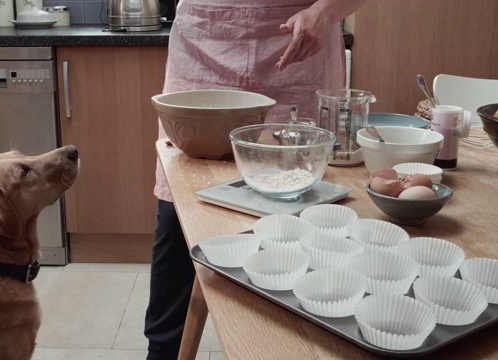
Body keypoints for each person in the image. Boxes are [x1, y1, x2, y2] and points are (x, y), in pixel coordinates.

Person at [145, 1, 367, 359]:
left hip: (299, 45)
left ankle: (288, 350)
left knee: (294, 214)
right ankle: (163, 352)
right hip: (205, 38)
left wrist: (325, 11)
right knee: (178, 215)